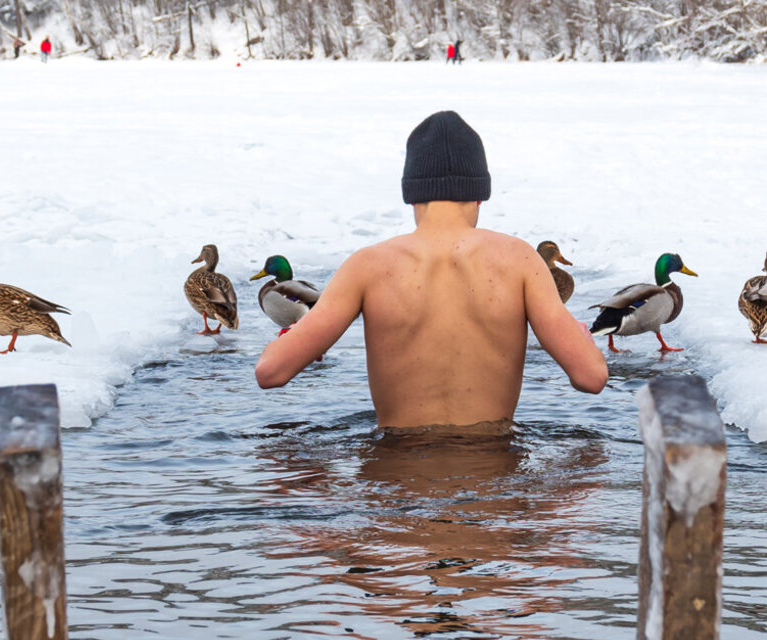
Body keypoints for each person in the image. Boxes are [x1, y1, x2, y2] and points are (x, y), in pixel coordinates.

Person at [254, 110, 607, 430]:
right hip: (495, 483)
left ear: (411, 194)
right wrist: (578, 335)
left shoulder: (368, 265)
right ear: (480, 192)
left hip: (396, 483)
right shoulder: (519, 260)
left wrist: (300, 333)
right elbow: (591, 377)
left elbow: (270, 372)